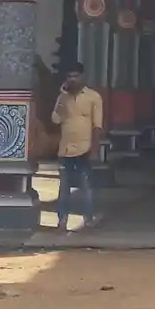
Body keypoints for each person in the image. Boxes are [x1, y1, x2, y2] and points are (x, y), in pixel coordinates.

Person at [50, 62, 105, 232]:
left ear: (83, 77)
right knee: (64, 187)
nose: (72, 79)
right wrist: (62, 98)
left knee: (86, 186)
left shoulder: (93, 97)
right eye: (69, 77)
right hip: (65, 149)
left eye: (76, 76)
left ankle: (88, 219)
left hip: (85, 149)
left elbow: (97, 125)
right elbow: (55, 120)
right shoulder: (62, 99)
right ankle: (62, 220)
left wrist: (94, 150)